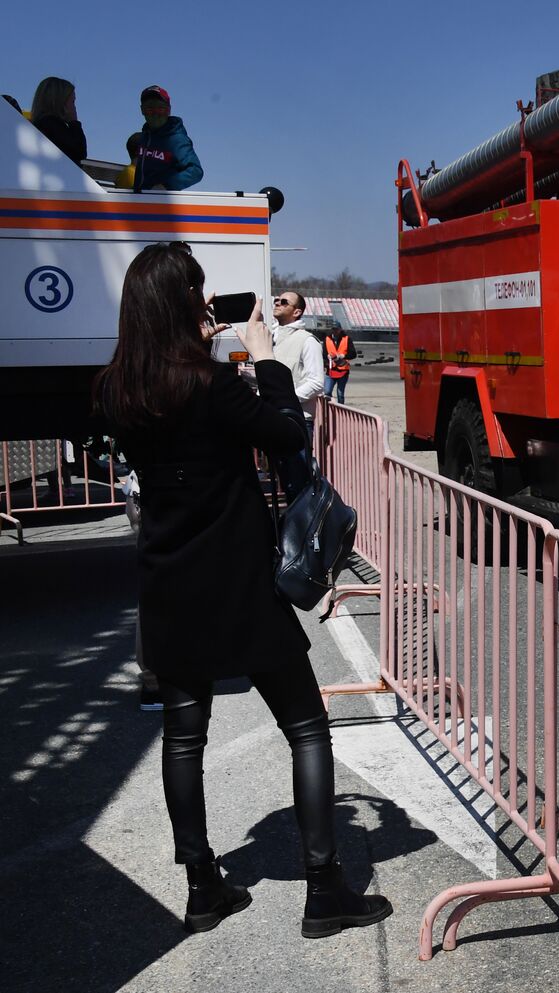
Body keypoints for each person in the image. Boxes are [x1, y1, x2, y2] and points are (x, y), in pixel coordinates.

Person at [93, 243, 391, 937]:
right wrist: (264, 357)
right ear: (181, 304)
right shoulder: (213, 384)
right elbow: (288, 429)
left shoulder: (117, 388)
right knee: (306, 723)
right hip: (238, 579)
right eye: (197, 293)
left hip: (168, 581)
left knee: (183, 734)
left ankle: (203, 887)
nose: (207, 305)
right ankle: (324, 888)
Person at [132, 85, 204, 192]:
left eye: (161, 108)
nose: (155, 113)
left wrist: (165, 186)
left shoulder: (177, 139)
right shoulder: (144, 138)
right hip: (140, 203)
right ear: (142, 110)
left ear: (169, 111)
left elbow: (195, 171)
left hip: (161, 205)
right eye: (150, 108)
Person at [264, 292, 325, 418]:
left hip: (297, 417)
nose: (277, 303)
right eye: (277, 300)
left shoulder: (308, 340)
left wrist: (285, 400)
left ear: (296, 312)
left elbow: (316, 383)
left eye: (284, 302)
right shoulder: (269, 337)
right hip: (270, 414)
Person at [29, 76, 87, 166]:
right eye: (72, 102)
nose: (74, 107)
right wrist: (74, 122)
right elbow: (79, 152)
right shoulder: (51, 125)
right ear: (61, 101)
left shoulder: (42, 124)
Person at [323, 324, 357, 404]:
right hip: (330, 370)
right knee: (327, 392)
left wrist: (343, 356)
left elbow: (353, 354)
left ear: (340, 329)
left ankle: (341, 410)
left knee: (340, 394)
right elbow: (323, 353)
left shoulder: (347, 339)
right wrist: (327, 357)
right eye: (333, 329)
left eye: (337, 329)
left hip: (343, 370)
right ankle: (328, 409)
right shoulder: (327, 339)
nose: (335, 331)